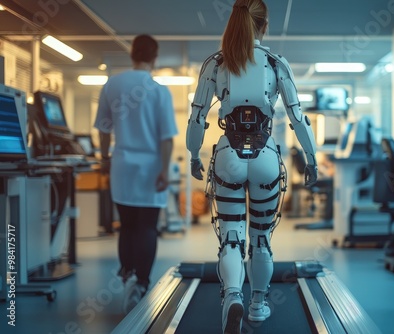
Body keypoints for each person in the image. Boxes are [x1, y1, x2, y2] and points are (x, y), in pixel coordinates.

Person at [186, 1, 317, 332]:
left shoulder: (216, 63)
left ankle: (233, 296)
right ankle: (257, 305)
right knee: (261, 238)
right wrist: (311, 158)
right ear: (265, 25)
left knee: (231, 236)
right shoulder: (276, 63)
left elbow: (197, 117)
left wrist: (193, 155)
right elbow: (297, 117)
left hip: (228, 155)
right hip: (266, 158)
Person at [93, 34, 178, 313]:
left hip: (122, 165)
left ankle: (127, 273)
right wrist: (165, 170)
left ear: (132, 55)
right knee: (147, 226)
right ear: (154, 58)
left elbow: (103, 128)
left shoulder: (113, 84)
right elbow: (167, 137)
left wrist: (105, 158)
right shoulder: (158, 90)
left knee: (127, 224)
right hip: (151, 167)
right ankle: (140, 283)